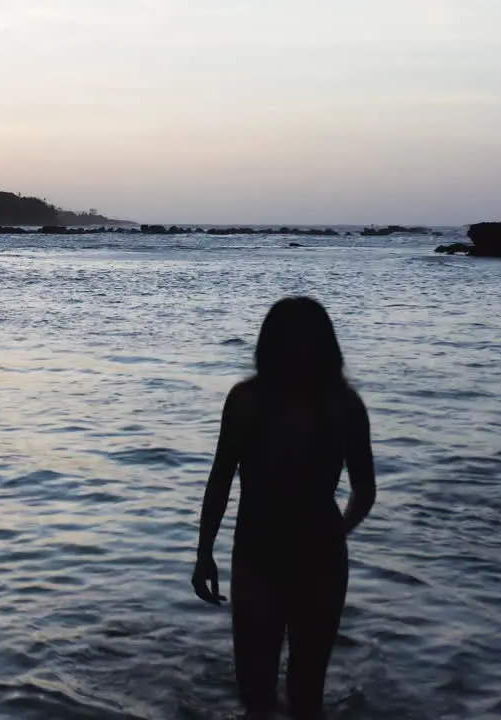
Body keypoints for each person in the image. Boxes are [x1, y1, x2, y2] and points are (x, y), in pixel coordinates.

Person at [192, 296, 376, 719]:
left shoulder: (247, 400)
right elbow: (364, 491)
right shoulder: (344, 405)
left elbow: (220, 479)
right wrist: (338, 532)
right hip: (320, 551)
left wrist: (205, 553)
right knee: (307, 692)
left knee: (256, 693)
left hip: (259, 548)